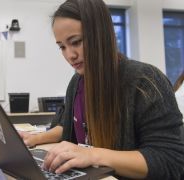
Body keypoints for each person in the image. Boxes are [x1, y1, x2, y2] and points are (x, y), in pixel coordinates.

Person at [22, 0, 184, 179]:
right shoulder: (77, 83)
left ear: (101, 35)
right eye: (62, 47)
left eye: (76, 42)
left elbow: (170, 160)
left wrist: (93, 154)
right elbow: (66, 128)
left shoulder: (146, 81)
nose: (70, 55)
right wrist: (34, 139)